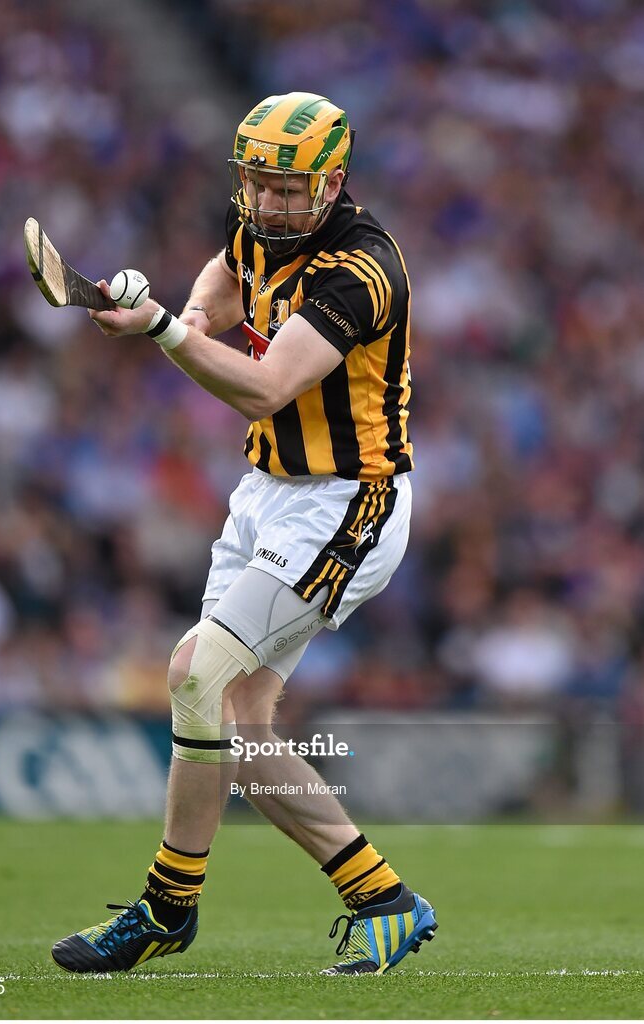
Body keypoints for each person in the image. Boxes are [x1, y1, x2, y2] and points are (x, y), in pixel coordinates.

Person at [51, 91, 437, 976]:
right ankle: (382, 899)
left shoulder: (361, 269)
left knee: (194, 674)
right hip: (264, 492)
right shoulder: (258, 227)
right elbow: (221, 285)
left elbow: (266, 388)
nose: (266, 202)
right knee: (237, 719)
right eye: (255, 182)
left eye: (287, 187)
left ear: (333, 181)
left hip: (348, 501)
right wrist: (170, 312)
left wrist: (159, 333)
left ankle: (165, 904)